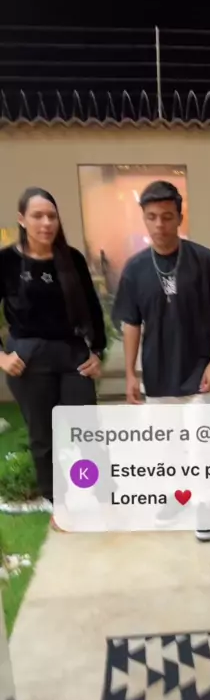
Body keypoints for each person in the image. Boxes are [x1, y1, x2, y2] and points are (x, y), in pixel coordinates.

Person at [112, 180, 210, 542]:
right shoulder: (135, 269)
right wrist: (131, 373)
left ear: (179, 217)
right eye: (152, 217)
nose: (159, 225)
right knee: (166, 446)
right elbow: (131, 323)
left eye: (167, 217)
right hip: (157, 374)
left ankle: (206, 504)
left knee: (201, 445)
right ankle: (177, 496)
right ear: (144, 218)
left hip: (199, 371)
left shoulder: (204, 260)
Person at [0, 187, 107, 530]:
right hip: (27, 358)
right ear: (22, 219)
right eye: (38, 216)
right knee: (42, 436)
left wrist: (97, 351)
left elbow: (92, 308)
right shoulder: (6, 261)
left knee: (86, 430)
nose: (46, 223)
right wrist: (1, 358)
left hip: (71, 353)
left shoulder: (71, 259)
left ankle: (103, 496)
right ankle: (60, 505)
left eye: (52, 216)